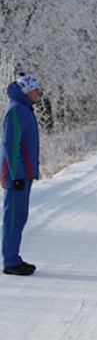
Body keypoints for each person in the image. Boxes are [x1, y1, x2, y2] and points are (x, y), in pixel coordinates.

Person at [2, 72, 41, 276]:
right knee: (13, 217)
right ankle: (10, 261)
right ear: (26, 90)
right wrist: (16, 175)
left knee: (20, 217)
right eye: (35, 89)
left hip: (24, 174)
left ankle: (14, 257)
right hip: (17, 175)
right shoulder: (16, 111)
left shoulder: (24, 109)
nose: (38, 93)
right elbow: (11, 145)